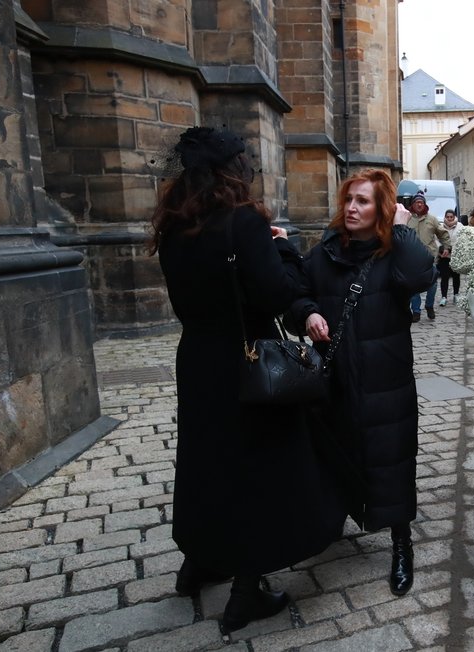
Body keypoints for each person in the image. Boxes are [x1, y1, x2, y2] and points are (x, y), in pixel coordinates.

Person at [148, 126, 346, 632]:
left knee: (207, 463)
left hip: (198, 361)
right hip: (249, 361)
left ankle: (199, 564)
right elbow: (277, 294)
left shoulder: (173, 227)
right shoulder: (243, 223)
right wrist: (282, 249)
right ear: (230, 172)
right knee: (261, 470)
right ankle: (246, 591)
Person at [289, 170, 435, 596]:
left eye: (364, 202)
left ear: (382, 209)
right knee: (334, 453)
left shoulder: (396, 252)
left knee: (391, 460)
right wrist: (307, 313)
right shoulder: (326, 250)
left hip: (384, 380)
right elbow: (295, 295)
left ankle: (401, 543)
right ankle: (330, 524)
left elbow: (419, 277)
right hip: (333, 380)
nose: (352, 208)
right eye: (349, 199)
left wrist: (401, 230)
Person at [406, 191, 451, 321]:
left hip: (429, 258)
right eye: (416, 202)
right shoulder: (407, 219)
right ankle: (416, 311)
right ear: (413, 205)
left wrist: (446, 247)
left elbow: (443, 234)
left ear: (424, 204)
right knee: (414, 286)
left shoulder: (432, 219)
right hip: (412, 258)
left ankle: (429, 305)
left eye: (421, 202)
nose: (419, 204)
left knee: (432, 285)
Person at [437, 209, 462, 305]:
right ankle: (444, 297)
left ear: (454, 217)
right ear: (445, 217)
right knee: (444, 277)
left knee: (456, 276)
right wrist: (441, 249)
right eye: (447, 217)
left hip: (456, 255)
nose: (449, 219)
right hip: (444, 256)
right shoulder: (440, 226)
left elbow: (462, 239)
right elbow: (436, 239)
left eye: (451, 217)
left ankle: (456, 294)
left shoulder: (460, 226)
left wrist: (453, 248)